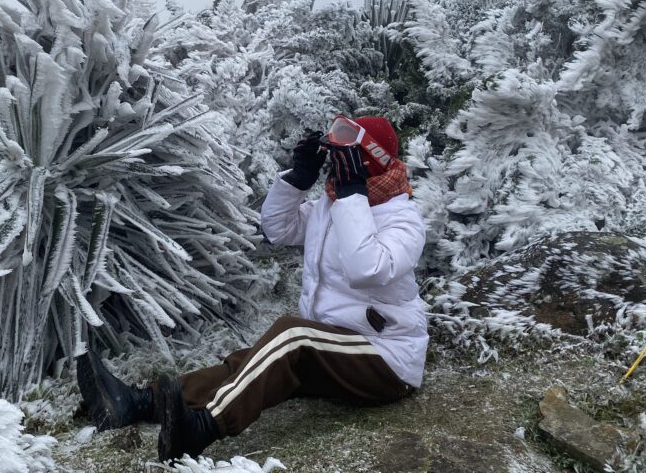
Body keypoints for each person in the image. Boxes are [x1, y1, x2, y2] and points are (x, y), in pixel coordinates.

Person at [76, 115, 428, 462]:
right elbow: (278, 228)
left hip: (385, 360)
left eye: (342, 158)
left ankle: (202, 428)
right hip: (334, 347)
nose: (335, 168)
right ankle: (137, 403)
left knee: (292, 337)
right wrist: (297, 179)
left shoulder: (403, 219)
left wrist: (353, 197)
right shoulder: (333, 205)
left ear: (365, 161)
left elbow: (366, 268)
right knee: (251, 362)